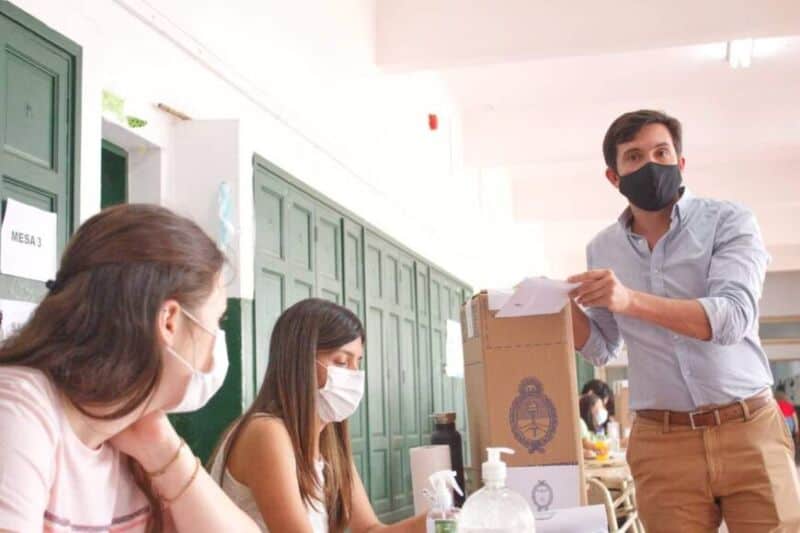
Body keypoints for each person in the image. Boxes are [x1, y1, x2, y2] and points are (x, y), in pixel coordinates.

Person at [568, 110, 800, 532]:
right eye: (634, 157)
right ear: (614, 177)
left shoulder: (729, 221)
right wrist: (563, 311)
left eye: (661, 152)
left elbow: (732, 317)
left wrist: (630, 300)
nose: (651, 164)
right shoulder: (602, 249)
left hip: (750, 431)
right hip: (663, 442)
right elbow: (602, 347)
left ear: (681, 162)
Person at [0, 204, 259, 532]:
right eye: (217, 319)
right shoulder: (18, 407)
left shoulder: (129, 435)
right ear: (169, 321)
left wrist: (163, 449)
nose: (217, 339)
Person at [209, 298, 425, 532]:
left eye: (357, 362)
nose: (355, 375)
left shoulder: (328, 440)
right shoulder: (266, 432)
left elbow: (368, 529)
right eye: (342, 362)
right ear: (300, 362)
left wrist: (434, 520)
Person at [578, 392, 607, 458]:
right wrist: (603, 447)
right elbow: (586, 444)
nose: (603, 410)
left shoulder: (596, 429)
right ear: (590, 409)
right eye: (600, 407)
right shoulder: (580, 422)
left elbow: (603, 441)